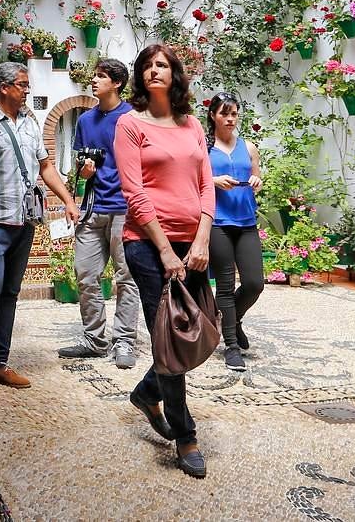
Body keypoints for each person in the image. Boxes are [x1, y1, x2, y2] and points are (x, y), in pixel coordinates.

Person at [115, 45, 213, 480]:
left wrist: (201, 240)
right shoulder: (129, 124)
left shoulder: (191, 124)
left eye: (162, 65)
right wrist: (166, 250)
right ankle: (185, 435)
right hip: (148, 245)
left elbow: (206, 185)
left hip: (194, 244)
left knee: (196, 331)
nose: (153, 71)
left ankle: (147, 392)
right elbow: (134, 193)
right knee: (171, 339)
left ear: (174, 75)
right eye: (147, 66)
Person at [0, 62, 81, 400]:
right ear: (2, 88)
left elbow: (45, 167)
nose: (26, 89)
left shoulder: (30, 123)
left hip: (24, 221)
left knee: (10, 292)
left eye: (27, 84)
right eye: (21, 84)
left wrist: (68, 199)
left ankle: (0, 362)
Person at [56, 59, 141, 370]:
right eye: (95, 75)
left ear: (116, 83)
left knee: (126, 279)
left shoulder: (132, 118)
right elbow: (81, 165)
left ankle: (124, 342)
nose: (94, 80)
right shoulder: (85, 121)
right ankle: (94, 340)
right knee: (86, 275)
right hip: (93, 209)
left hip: (126, 210)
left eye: (101, 76)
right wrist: (85, 169)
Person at [204, 93, 263, 374]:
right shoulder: (204, 149)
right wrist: (213, 181)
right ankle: (230, 346)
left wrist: (256, 180)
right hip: (217, 223)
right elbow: (194, 181)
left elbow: (258, 179)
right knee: (225, 286)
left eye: (234, 114)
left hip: (246, 222)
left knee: (254, 283)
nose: (230, 119)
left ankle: (233, 319)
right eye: (225, 113)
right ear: (213, 115)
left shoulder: (249, 147)